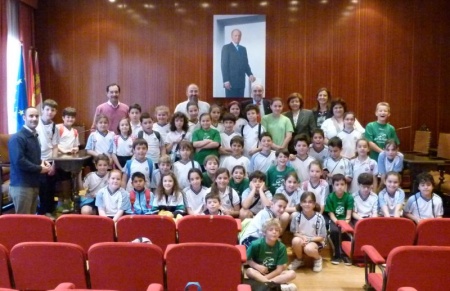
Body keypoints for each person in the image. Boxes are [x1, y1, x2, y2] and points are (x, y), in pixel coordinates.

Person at [9, 107, 51, 214]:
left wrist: (42, 161)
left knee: (31, 221)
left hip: (33, 184)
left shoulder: (34, 135)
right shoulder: (17, 138)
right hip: (21, 186)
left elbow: (31, 156)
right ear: (24, 118)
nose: (34, 119)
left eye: (37, 116)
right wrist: (40, 169)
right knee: (23, 223)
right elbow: (19, 161)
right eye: (31, 116)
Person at [246, 219, 297, 291]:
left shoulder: (281, 247)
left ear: (279, 233)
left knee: (292, 273)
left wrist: (266, 278)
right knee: (249, 271)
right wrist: (257, 266)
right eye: (271, 230)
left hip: (274, 274)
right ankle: (278, 287)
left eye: (277, 230)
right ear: (264, 232)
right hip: (259, 273)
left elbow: (279, 270)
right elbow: (247, 259)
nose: (274, 232)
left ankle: (266, 284)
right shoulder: (255, 244)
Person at [289, 192, 327, 272]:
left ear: (314, 204)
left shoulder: (319, 218)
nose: (307, 204)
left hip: (316, 240)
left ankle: (318, 259)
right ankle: (300, 259)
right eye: (304, 201)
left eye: (310, 202)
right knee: (295, 240)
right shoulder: (296, 216)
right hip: (303, 238)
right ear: (301, 204)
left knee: (308, 249)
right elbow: (295, 232)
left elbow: (322, 237)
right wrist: (302, 237)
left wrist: (309, 240)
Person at [36, 99, 59, 217]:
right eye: (47, 109)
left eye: (53, 110)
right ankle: (41, 212)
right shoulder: (36, 123)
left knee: (50, 188)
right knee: (42, 188)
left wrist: (54, 164)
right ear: (43, 110)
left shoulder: (55, 126)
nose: (50, 112)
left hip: (50, 160)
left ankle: (50, 211)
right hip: (38, 161)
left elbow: (55, 147)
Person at [325, 174, 354, 265]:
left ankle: (346, 255)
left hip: (346, 220)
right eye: (337, 185)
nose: (340, 187)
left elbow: (348, 214)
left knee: (348, 231)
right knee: (334, 231)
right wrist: (338, 223)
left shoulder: (349, 197)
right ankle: (337, 254)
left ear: (345, 185)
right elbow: (331, 214)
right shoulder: (330, 197)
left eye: (342, 184)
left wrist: (344, 225)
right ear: (333, 186)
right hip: (335, 220)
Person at [56, 107, 80, 212]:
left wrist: (75, 149)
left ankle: (68, 200)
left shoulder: (75, 131)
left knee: (69, 179)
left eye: (72, 117)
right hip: (57, 159)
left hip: (69, 160)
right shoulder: (58, 128)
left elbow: (77, 146)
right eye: (68, 117)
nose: (70, 119)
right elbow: (53, 144)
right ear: (63, 118)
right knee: (61, 180)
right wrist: (63, 151)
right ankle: (61, 202)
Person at [221, 29, 255, 97]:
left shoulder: (243, 49)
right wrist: (226, 80)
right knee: (231, 102)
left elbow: (245, 64)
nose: (237, 37)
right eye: (235, 35)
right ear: (232, 36)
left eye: (239, 36)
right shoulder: (226, 48)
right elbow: (224, 65)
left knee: (240, 102)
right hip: (230, 83)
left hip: (241, 82)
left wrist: (250, 74)